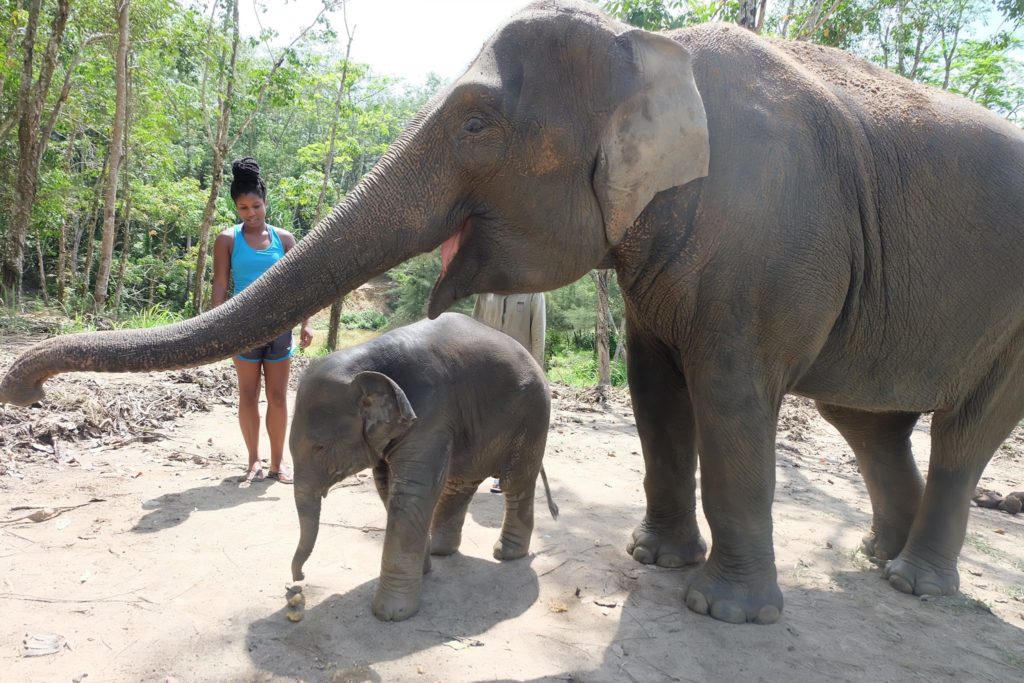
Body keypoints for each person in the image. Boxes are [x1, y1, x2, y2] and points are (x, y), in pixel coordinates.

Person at [211, 158, 313, 486]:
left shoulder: (285, 239)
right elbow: (220, 284)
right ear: (236, 208)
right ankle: (253, 460)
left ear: (266, 202)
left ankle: (278, 464)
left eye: (256, 206)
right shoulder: (227, 239)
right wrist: (218, 325)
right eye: (243, 208)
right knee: (248, 395)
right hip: (243, 329)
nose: (251, 213)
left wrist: (305, 323)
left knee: (280, 398)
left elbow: (299, 286)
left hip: (280, 328)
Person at [471, 292, 546, 493]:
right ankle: (480, 470)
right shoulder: (486, 291)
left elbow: (538, 335)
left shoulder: (533, 293)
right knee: (486, 422)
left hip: (518, 371)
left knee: (512, 424)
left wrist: (537, 373)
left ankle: (502, 474)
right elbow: (473, 326)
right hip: (487, 366)